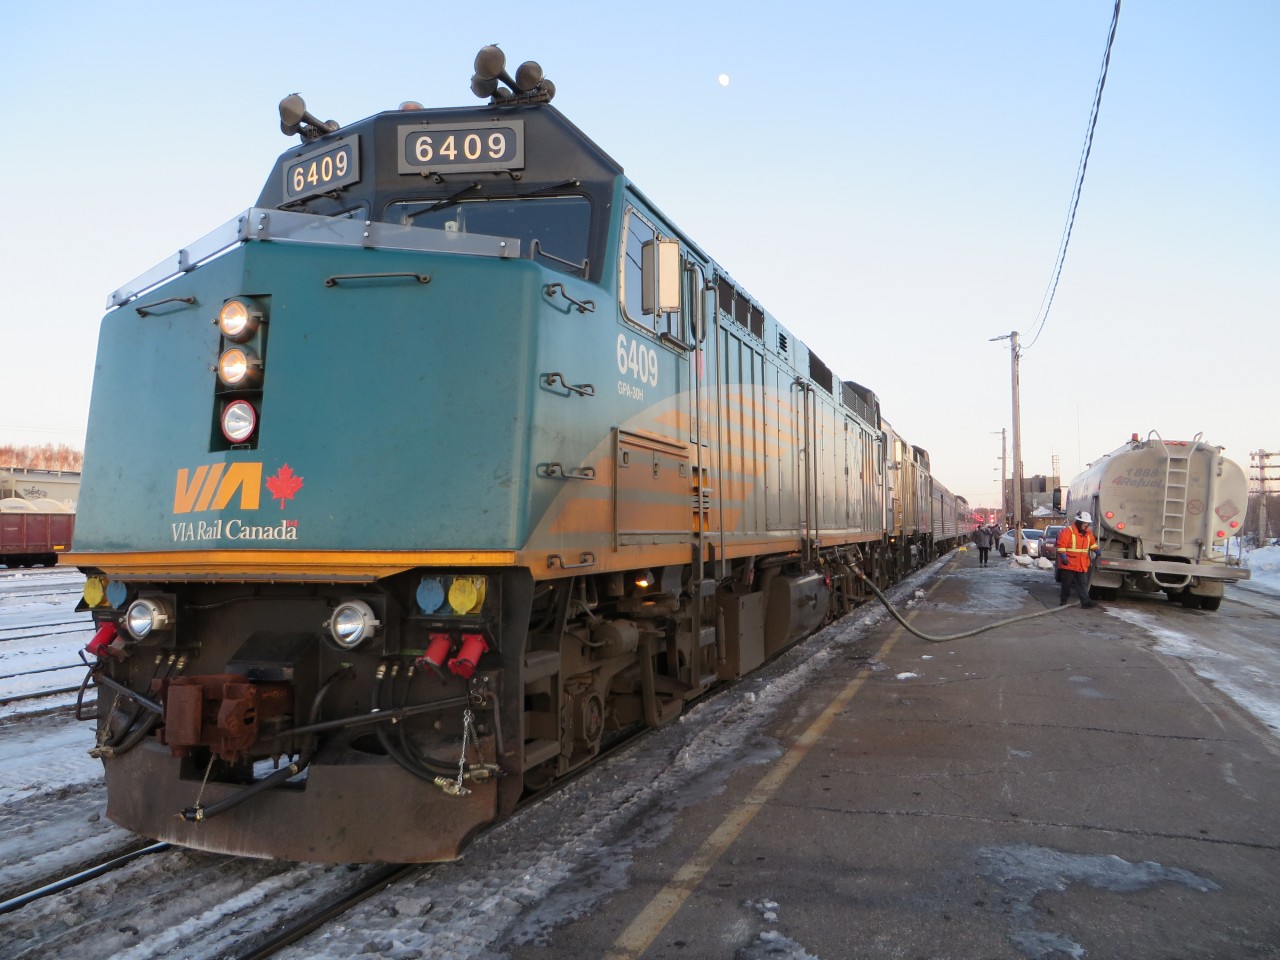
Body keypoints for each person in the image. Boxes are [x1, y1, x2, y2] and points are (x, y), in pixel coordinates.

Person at [1057, 511, 1100, 607]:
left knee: (1083, 584)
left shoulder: (1088, 533)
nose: (1086, 526)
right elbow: (1061, 545)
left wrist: (1096, 550)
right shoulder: (1068, 531)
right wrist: (1063, 555)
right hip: (1069, 564)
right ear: (1079, 522)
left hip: (1081, 564)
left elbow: (1092, 544)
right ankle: (1063, 601)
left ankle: (1085, 603)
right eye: (1085, 524)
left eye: (1087, 524)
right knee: (1066, 585)